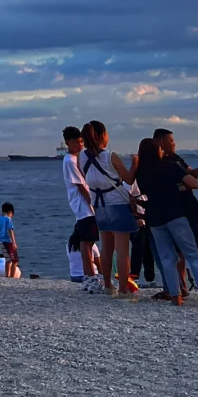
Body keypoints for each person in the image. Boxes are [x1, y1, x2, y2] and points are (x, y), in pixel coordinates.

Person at [135, 137, 198, 306]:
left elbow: (143, 191)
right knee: (194, 255)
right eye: (160, 149)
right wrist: (178, 185)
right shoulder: (170, 166)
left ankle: (175, 296)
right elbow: (194, 183)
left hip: (154, 218)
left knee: (167, 257)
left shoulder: (141, 172)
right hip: (175, 215)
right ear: (157, 151)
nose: (163, 151)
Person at [79, 121, 139, 296]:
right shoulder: (110, 156)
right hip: (117, 203)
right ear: (102, 135)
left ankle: (107, 286)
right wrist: (135, 163)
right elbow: (128, 179)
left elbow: (88, 177)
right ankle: (122, 289)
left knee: (106, 247)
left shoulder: (81, 158)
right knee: (122, 249)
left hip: (98, 204)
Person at [61, 126, 100, 289]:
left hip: (85, 205)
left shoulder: (78, 158)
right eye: (77, 142)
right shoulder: (69, 160)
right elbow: (81, 186)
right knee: (87, 241)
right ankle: (90, 275)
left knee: (89, 240)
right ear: (68, 143)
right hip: (83, 206)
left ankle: (90, 275)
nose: (80, 145)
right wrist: (93, 204)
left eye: (82, 141)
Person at [0, 204, 18, 277]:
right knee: (15, 261)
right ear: (10, 212)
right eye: (12, 214)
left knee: (8, 260)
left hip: (1, 242)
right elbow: (10, 231)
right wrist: (14, 243)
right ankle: (12, 277)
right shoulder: (8, 219)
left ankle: (7, 276)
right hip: (8, 242)